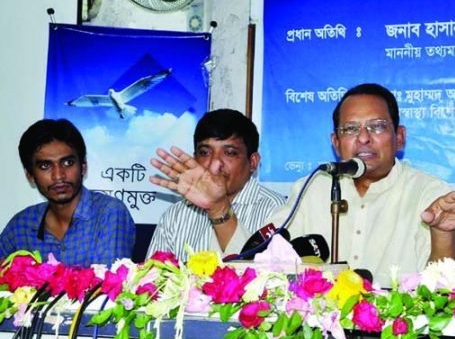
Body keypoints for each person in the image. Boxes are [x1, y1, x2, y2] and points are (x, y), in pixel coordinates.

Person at [264, 83, 455, 281]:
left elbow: (448, 288)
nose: (364, 138)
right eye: (351, 129)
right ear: (336, 142)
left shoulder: (429, 192)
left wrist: (442, 233)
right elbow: (264, 262)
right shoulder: (313, 187)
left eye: (377, 127)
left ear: (399, 137)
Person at [147, 109, 285, 261]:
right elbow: (151, 281)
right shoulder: (175, 215)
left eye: (230, 153)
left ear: (253, 162)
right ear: (194, 158)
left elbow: (274, 278)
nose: (214, 164)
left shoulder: (276, 210)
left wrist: (219, 207)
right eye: (205, 152)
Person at [0, 119, 134, 266]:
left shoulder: (109, 213)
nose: (58, 175)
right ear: (30, 175)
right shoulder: (21, 225)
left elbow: (108, 286)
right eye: (45, 166)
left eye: (67, 163)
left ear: (83, 166)